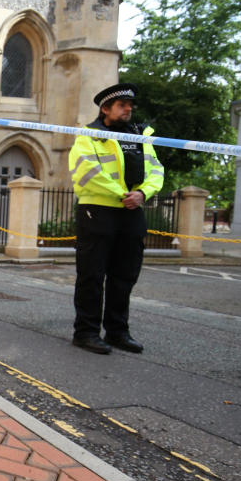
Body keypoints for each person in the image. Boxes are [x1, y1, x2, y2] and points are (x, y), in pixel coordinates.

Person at [69, 83, 164, 354]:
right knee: (92, 275)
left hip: (132, 211)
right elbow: (85, 170)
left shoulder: (142, 135)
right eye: (122, 105)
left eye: (130, 105)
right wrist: (123, 193)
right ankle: (85, 332)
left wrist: (143, 194)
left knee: (125, 276)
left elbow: (156, 170)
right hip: (97, 210)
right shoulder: (89, 135)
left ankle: (117, 331)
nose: (128, 109)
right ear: (106, 108)